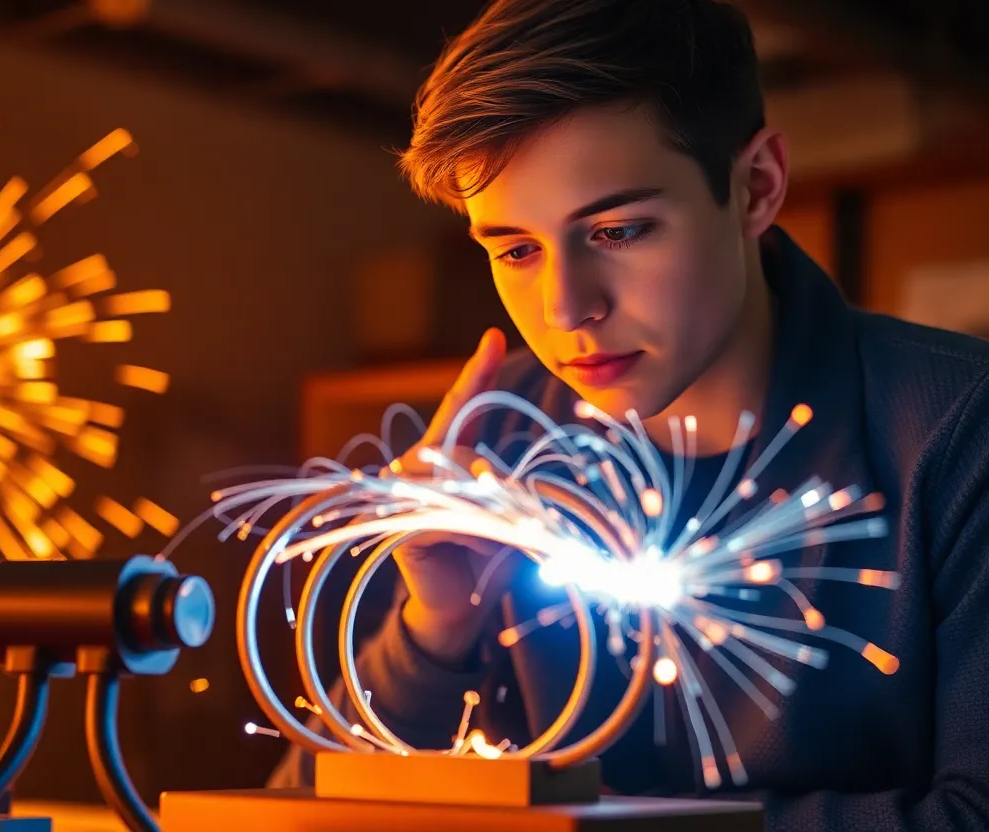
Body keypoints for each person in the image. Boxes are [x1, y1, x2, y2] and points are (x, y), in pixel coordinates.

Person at [268, 0, 989, 828]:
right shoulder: (498, 449)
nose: (566, 308)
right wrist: (435, 629)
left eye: (616, 231)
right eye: (514, 250)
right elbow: (292, 812)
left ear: (755, 187)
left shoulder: (958, 432)